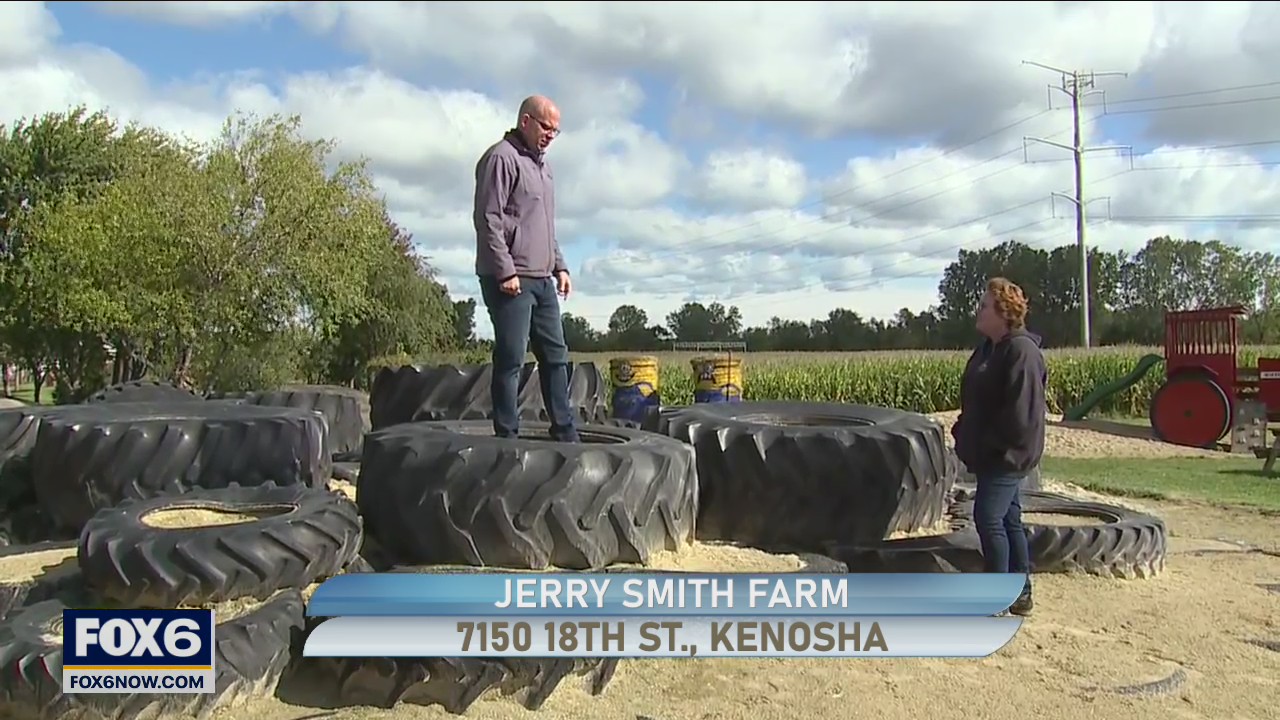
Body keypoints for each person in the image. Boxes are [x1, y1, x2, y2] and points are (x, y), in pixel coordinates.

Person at [472, 95, 580, 443]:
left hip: (542, 278)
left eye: (556, 130)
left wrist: (560, 266)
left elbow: (544, 226)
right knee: (512, 358)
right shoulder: (501, 158)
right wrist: (505, 271)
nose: (551, 135)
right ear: (526, 121)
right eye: (547, 127)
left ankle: (564, 431)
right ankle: (507, 436)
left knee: (556, 356)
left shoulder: (543, 168)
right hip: (510, 278)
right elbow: (488, 218)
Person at [952, 277, 1046, 617]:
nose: (978, 312)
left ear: (1004, 313)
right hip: (989, 452)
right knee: (1008, 520)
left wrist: (992, 445)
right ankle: (1021, 594)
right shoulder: (988, 348)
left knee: (988, 518)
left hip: (1008, 454)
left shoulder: (1022, 352)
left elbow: (1023, 414)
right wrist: (965, 431)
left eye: (984, 307)